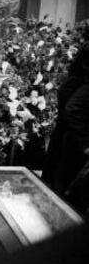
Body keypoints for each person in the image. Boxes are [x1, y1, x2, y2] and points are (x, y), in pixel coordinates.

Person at [42, 42, 89, 212]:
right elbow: (73, 110)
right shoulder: (82, 84)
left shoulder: (73, 81)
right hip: (72, 144)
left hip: (63, 139)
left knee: (56, 192)